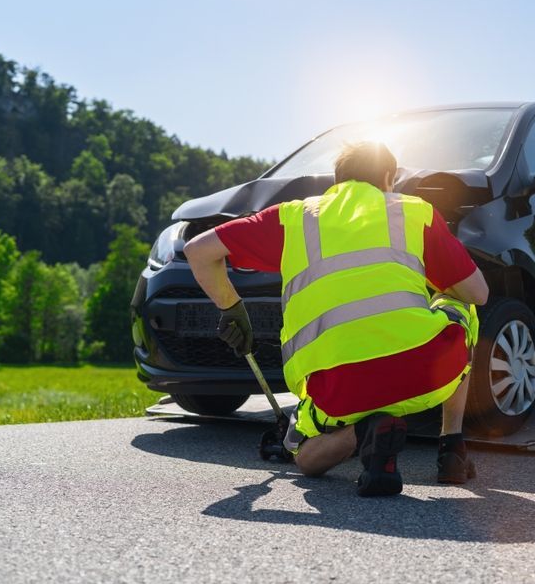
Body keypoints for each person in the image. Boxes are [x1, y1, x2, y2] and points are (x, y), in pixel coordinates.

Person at [184, 141, 489, 497]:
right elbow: (478, 293)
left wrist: (231, 308)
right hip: (421, 372)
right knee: (460, 305)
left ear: (337, 178)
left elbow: (198, 251)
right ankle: (451, 448)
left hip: (335, 390)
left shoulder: (293, 217)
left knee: (305, 458)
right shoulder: (414, 212)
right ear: (389, 177)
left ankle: (366, 433)